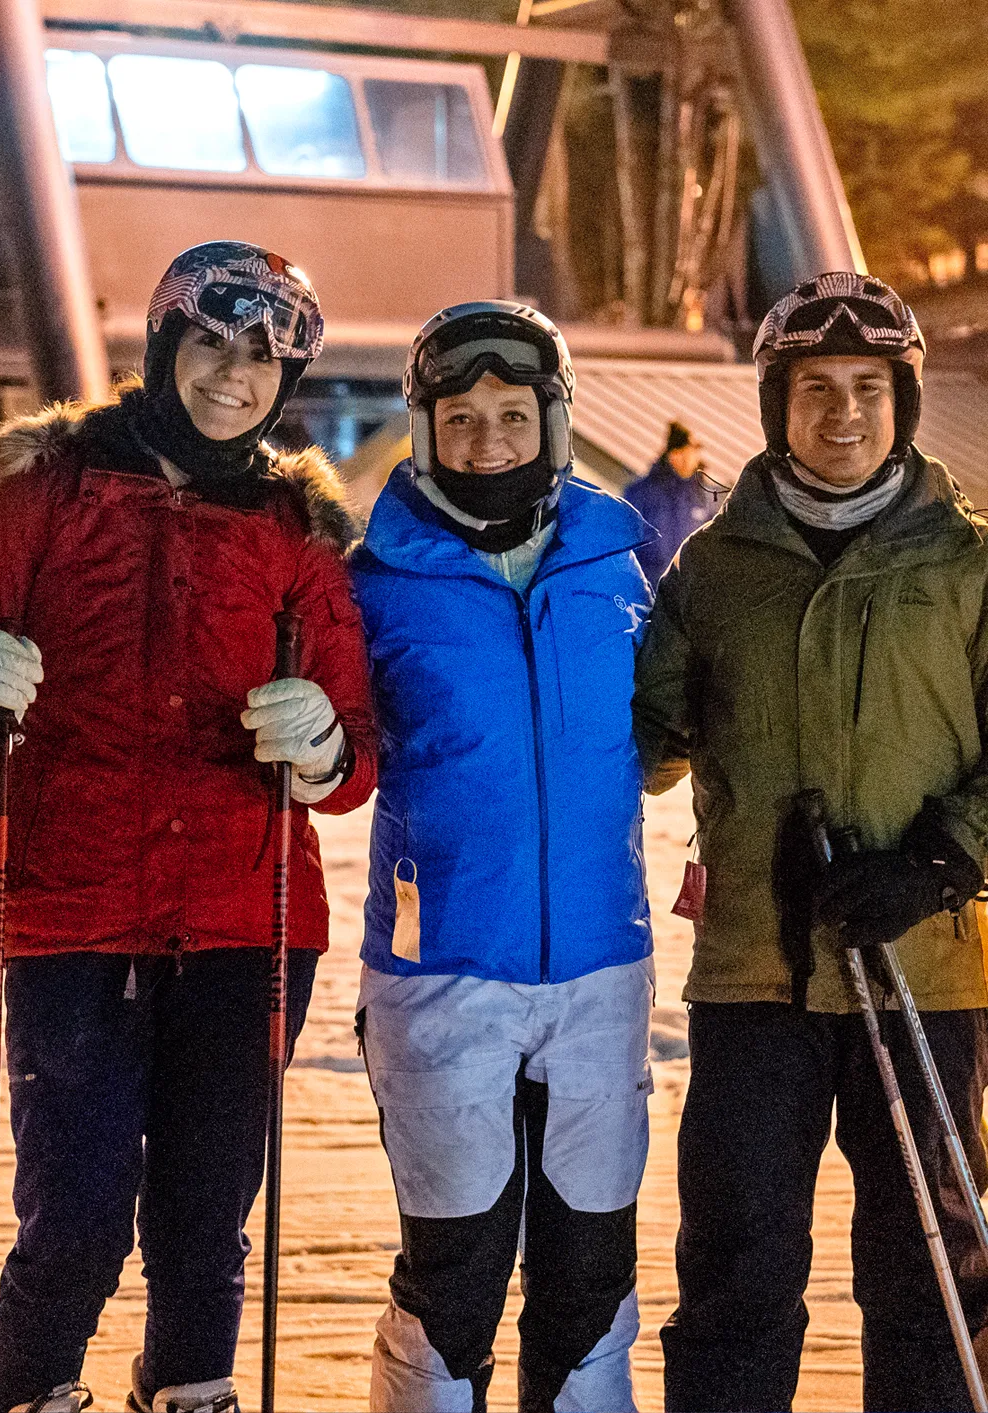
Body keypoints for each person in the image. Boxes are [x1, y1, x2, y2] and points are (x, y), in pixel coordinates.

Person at [0, 240, 378, 1413]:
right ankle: (32, 1392)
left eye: (263, 359)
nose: (233, 377)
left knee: (206, 1211)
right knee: (77, 1207)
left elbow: (356, 752)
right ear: (165, 345)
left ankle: (191, 1386)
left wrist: (324, 749)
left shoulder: (296, 533)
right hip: (72, 915)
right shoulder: (43, 496)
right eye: (212, 343)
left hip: (249, 921)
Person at [632, 270, 988, 1413]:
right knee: (737, 1267)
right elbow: (640, 741)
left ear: (902, 404)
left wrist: (941, 862)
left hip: (925, 971)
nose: (842, 414)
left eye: (869, 390)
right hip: (755, 978)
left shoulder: (969, 565)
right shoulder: (714, 569)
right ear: (778, 403)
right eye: (815, 389)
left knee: (931, 1272)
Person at [350, 301, 655, 1413]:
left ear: (554, 421)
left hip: (598, 970)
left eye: (512, 415)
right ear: (426, 428)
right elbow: (337, 758)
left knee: (589, 1264)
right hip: (443, 972)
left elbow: (677, 726)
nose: (487, 440)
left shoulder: (620, 562)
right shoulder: (374, 579)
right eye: (461, 416)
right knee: (458, 1266)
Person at [622, 421, 713, 589]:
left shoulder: (704, 497)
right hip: (645, 589)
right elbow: (625, 541)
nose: (696, 457)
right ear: (676, 454)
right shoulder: (642, 492)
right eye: (691, 450)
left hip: (683, 594)